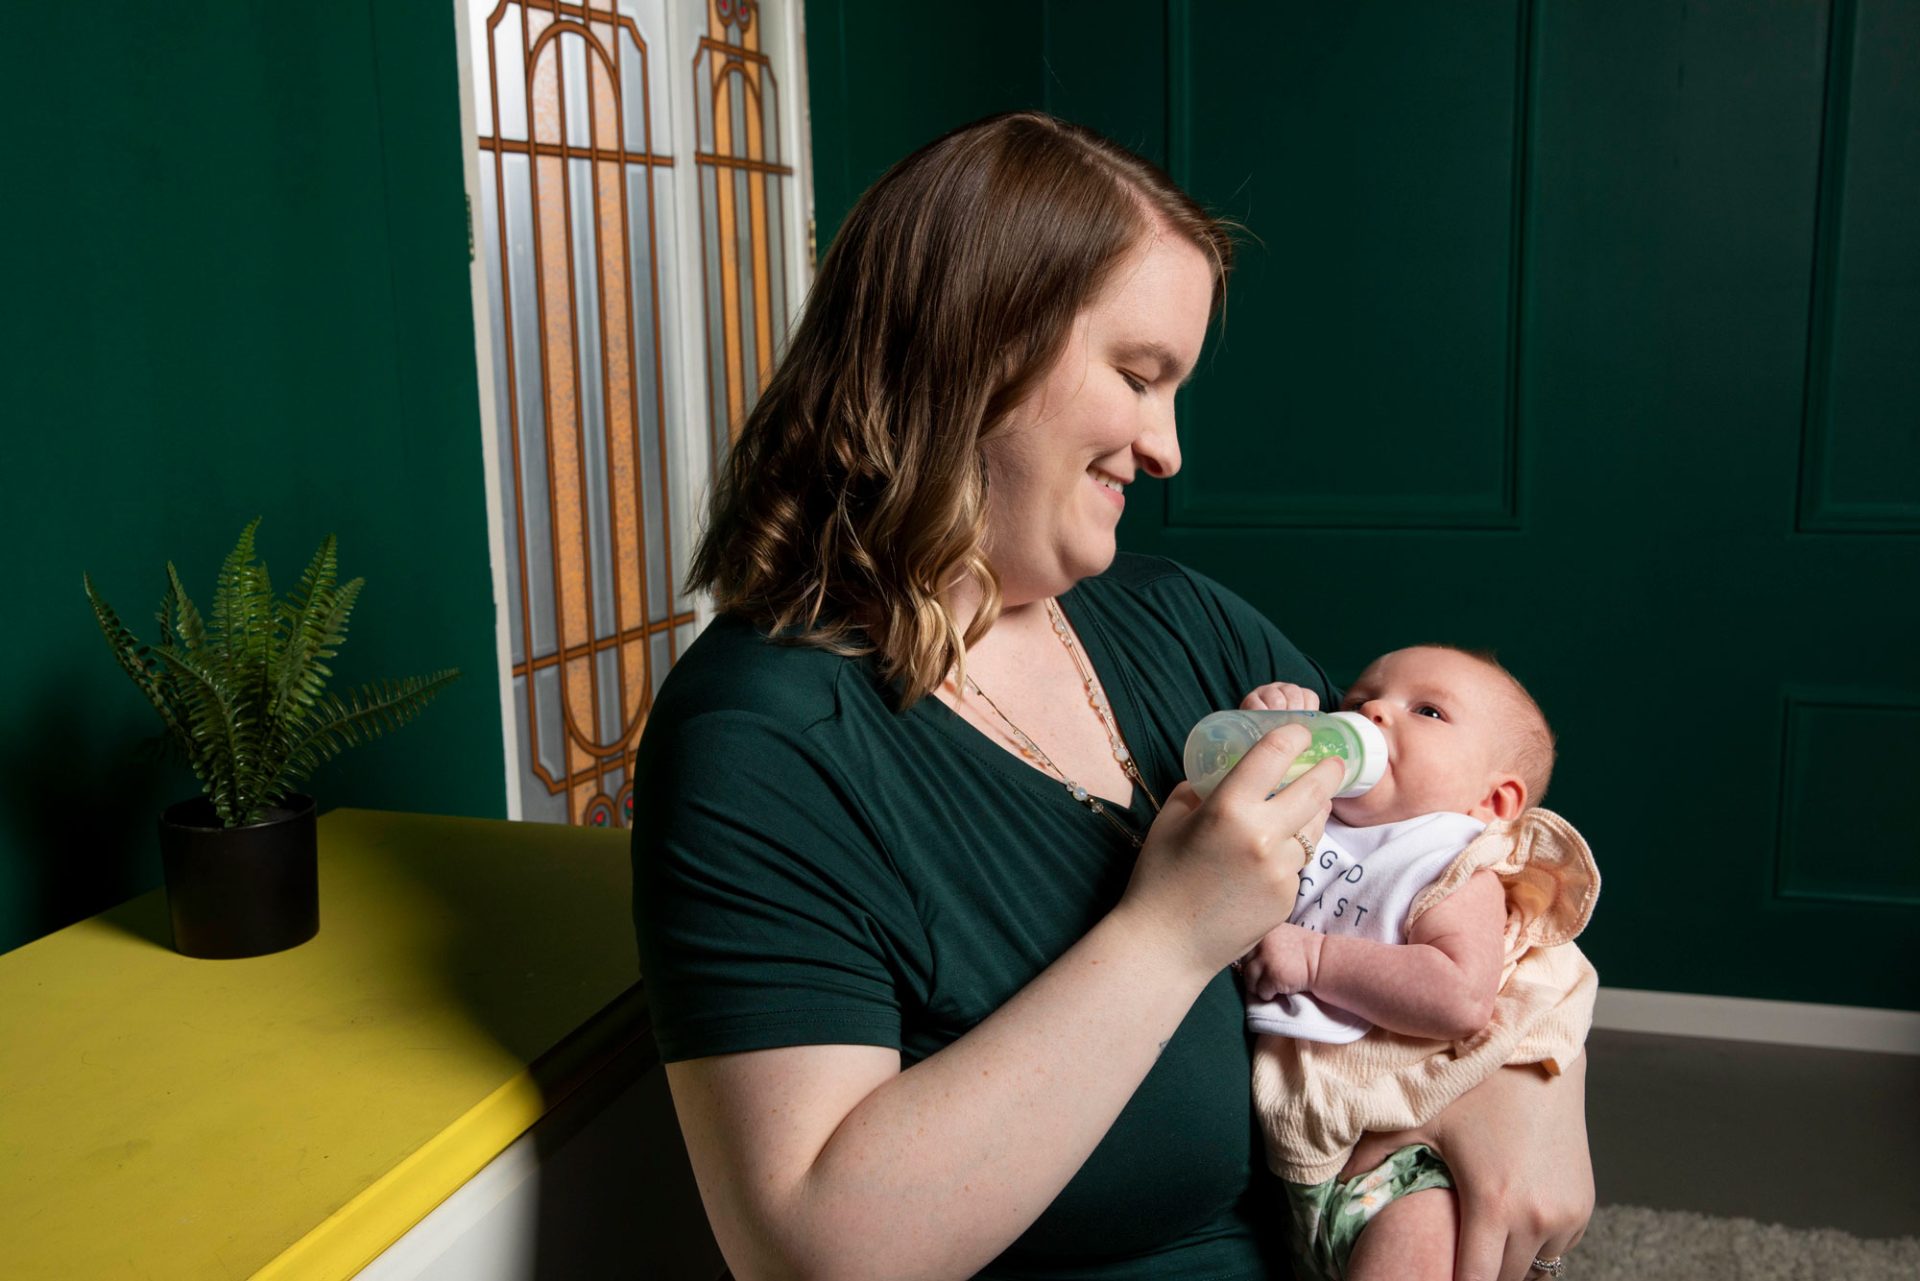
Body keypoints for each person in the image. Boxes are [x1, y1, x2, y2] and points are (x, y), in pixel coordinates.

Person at [631, 111, 1593, 1280]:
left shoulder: (1182, 622)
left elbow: (1463, 849)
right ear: (976, 346)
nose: (1167, 447)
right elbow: (817, 1250)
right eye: (1139, 377)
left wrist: (1530, 1082)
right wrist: (1169, 934)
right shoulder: (764, 742)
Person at [1234, 647, 1600, 1281]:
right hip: (1292, 1164)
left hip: (1405, 1169)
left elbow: (1459, 996)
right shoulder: (1312, 813)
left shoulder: (1451, 864)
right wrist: (1270, 731)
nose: (1373, 709)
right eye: (1355, 702)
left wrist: (1318, 957)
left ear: (1494, 801)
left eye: (1427, 710)